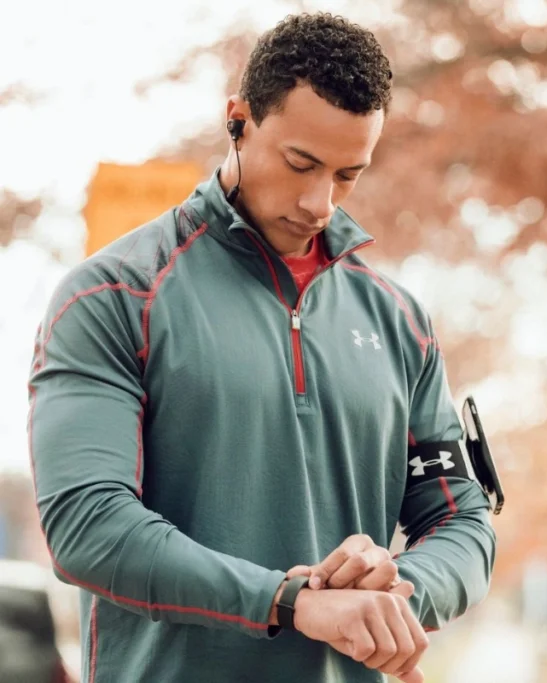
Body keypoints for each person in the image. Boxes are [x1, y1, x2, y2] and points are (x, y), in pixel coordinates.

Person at [28, 13, 497, 683]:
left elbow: (464, 516)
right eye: (299, 163)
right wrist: (288, 601)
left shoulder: (400, 321)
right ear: (238, 119)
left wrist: (398, 595)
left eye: (347, 175)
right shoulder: (113, 296)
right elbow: (87, 526)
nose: (319, 202)